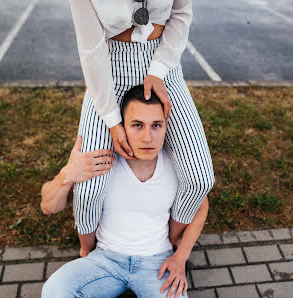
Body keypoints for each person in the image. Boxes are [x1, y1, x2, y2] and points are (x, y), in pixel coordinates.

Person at [69, 0, 215, 258]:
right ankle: (88, 251)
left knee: (199, 179)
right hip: (108, 70)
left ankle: (166, 242)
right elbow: (91, 49)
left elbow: (181, 13)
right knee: (88, 190)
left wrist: (158, 70)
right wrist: (113, 121)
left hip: (162, 67)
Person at [41, 85, 209, 297]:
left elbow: (201, 204)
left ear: (166, 125)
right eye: (137, 125)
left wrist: (181, 257)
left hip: (157, 261)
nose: (148, 137)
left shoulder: (176, 164)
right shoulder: (101, 163)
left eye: (156, 125)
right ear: (121, 127)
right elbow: (47, 206)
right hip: (105, 260)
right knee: (55, 291)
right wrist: (66, 175)